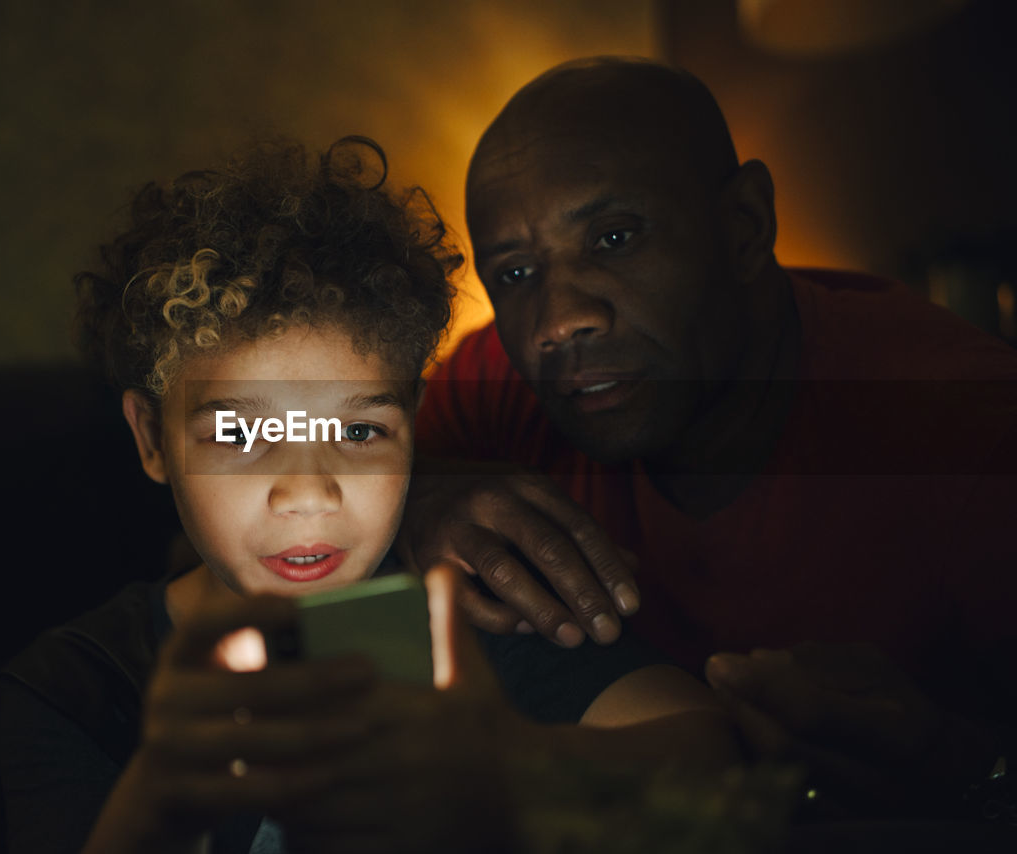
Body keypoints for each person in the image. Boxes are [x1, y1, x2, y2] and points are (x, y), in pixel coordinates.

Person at [0, 137, 740, 854]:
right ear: (153, 439)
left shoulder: (470, 620)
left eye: (358, 432)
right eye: (239, 435)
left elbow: (713, 756)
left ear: (414, 423)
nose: (310, 494)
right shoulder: (78, 683)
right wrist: (158, 808)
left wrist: (512, 772)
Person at [405, 57, 1016, 822]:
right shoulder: (499, 382)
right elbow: (267, 454)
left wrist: (967, 769)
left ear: (744, 227)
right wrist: (417, 496)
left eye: (615, 237)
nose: (560, 319)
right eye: (518, 272)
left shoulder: (962, 420)